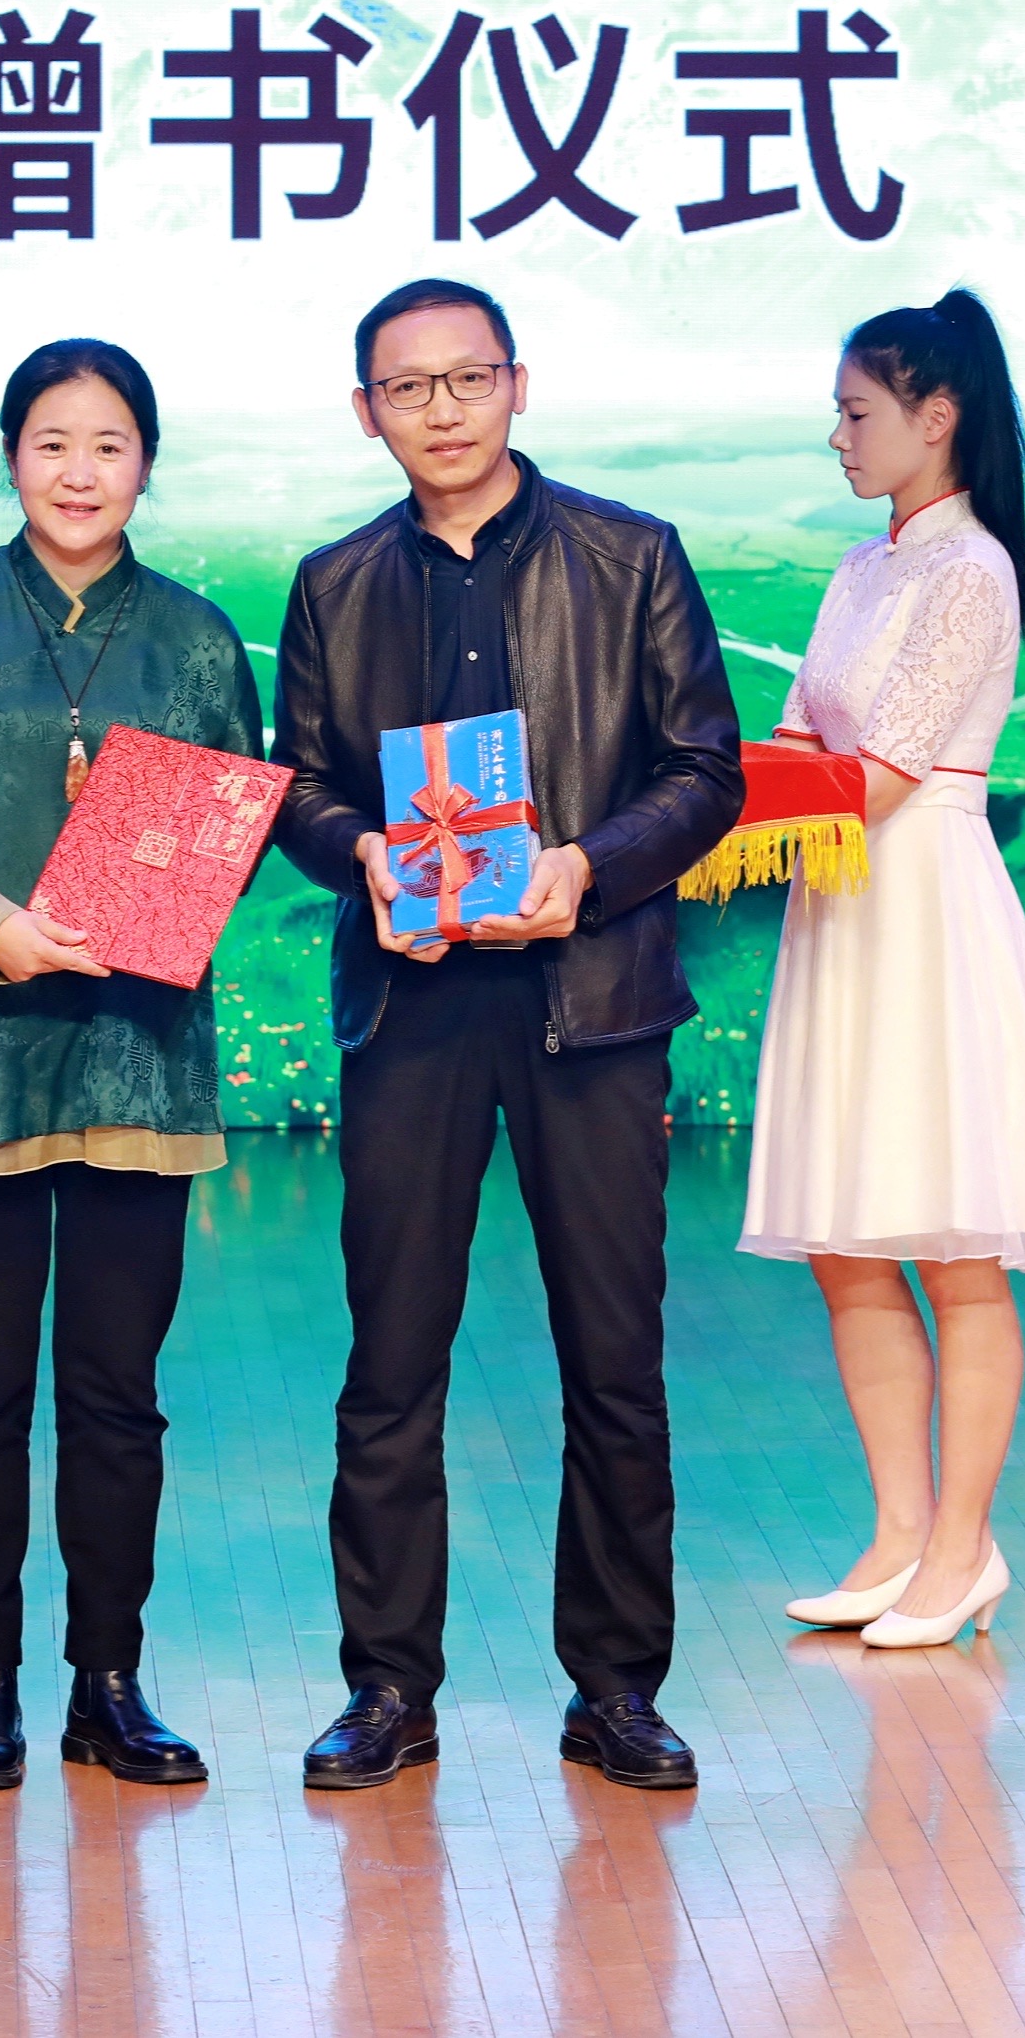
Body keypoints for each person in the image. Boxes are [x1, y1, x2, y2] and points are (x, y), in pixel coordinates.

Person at [266, 278, 745, 1792]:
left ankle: (617, 1687)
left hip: (587, 1003)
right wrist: (363, 854)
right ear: (367, 414)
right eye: (409, 388)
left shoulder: (631, 555)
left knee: (613, 1355)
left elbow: (707, 770)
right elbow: (299, 783)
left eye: (469, 377)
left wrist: (583, 868)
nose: (444, 409)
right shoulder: (335, 583)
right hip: (412, 1005)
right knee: (391, 1357)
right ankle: (385, 1686)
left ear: (518, 385)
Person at [0, 338, 264, 1794]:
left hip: (137, 1055)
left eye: (109, 445)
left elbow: (227, 825)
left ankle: (110, 1680)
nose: (79, 472)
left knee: (116, 1394)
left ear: (146, 462)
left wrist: (166, 891)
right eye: (51, 442)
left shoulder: (199, 638)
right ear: (10, 455)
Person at [741, 289, 1025, 1652]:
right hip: (841, 908)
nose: (838, 435)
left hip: (924, 904)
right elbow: (797, 738)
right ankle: (897, 1534)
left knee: (957, 1248)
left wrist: (695, 790)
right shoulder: (859, 568)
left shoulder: (970, 571)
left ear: (937, 417)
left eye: (856, 412)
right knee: (848, 1241)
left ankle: (963, 1545)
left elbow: (878, 776)